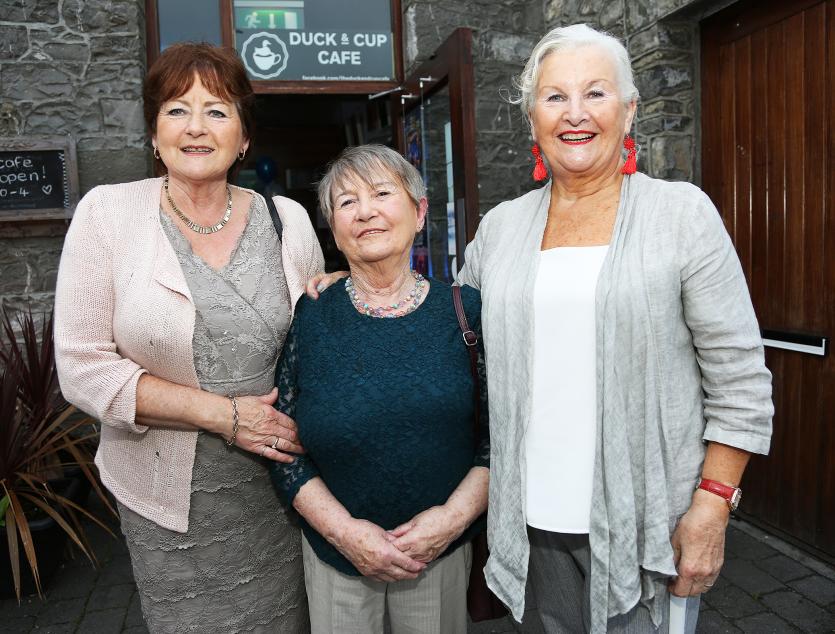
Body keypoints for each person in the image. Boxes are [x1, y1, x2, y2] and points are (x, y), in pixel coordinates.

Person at [454, 24, 774, 633]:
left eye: (596, 94)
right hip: (531, 522)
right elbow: (451, 322)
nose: (575, 114)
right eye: (555, 97)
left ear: (629, 111)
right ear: (531, 120)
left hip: (646, 525)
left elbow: (739, 380)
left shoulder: (681, 215)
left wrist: (712, 506)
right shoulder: (502, 228)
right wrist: (356, 279)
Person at [54, 43, 323, 633]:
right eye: (177, 110)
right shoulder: (107, 216)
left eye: (218, 110)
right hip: (168, 506)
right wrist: (225, 415)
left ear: (245, 137)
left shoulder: (289, 221)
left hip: (282, 494)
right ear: (153, 132)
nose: (196, 128)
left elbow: (318, 343)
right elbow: (81, 366)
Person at [270, 144, 489, 634]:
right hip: (336, 555)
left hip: (438, 551)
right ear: (332, 225)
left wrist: (451, 521)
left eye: (382, 193)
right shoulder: (312, 315)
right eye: (346, 202)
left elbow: (502, 437)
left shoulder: (465, 312)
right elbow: (282, 442)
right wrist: (342, 532)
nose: (365, 211)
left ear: (419, 210)